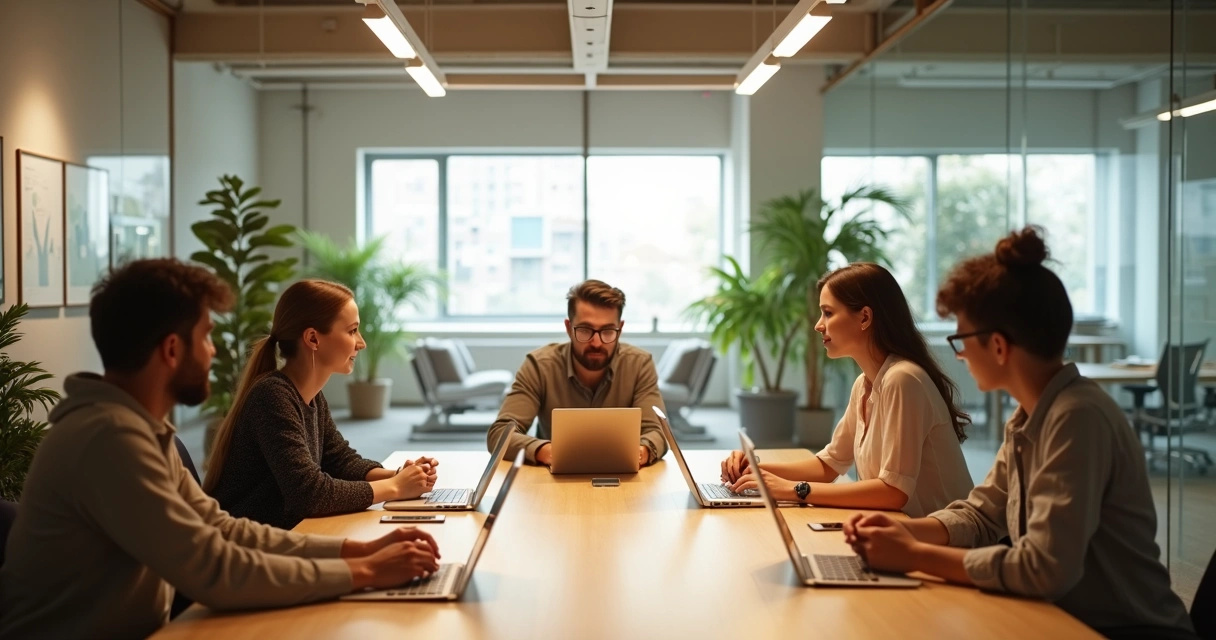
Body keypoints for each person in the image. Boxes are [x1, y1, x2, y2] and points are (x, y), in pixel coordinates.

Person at [0, 260, 441, 639]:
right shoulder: (108, 440)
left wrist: (358, 551)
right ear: (173, 349)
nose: (213, 352)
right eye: (207, 336)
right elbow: (214, 568)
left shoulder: (138, 430)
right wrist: (367, 572)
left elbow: (222, 528)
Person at [844, 228, 1196, 639]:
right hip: (1064, 619)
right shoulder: (1030, 416)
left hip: (1125, 630)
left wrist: (914, 556)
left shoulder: (1076, 418)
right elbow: (981, 513)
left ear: (997, 346)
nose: (960, 354)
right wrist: (906, 531)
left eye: (961, 339)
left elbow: (1042, 569)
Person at [721, 263, 974, 517]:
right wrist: (756, 470)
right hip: (899, 529)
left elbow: (893, 492)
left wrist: (794, 490)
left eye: (828, 313)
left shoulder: (903, 380)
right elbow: (829, 464)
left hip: (946, 537)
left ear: (864, 317)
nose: (818, 325)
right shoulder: (864, 384)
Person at [206, 279, 438, 530]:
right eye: (352, 331)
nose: (361, 343)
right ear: (313, 339)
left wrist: (398, 475)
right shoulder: (272, 396)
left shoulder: (310, 396)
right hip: (247, 543)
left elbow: (339, 461)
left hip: (283, 533)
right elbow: (309, 495)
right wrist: (395, 488)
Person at [487, 279, 669, 467]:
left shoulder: (639, 365)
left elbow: (658, 432)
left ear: (620, 329)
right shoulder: (539, 366)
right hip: (552, 477)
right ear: (568, 328)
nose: (597, 343)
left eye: (607, 331)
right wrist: (547, 451)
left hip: (625, 475)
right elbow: (499, 434)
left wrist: (640, 452)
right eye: (585, 330)